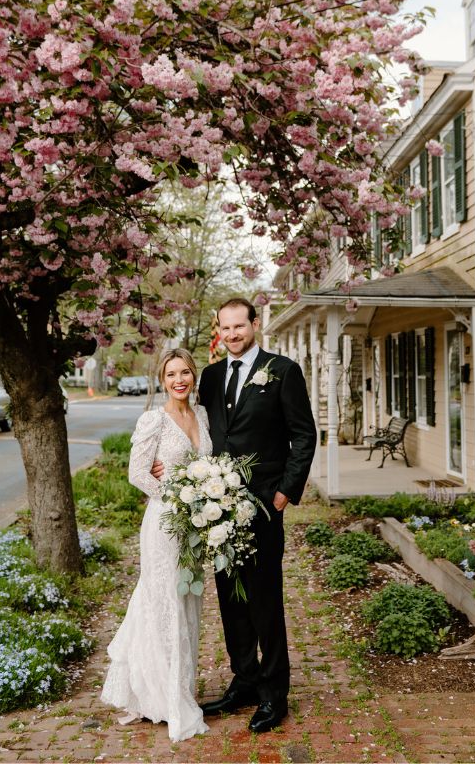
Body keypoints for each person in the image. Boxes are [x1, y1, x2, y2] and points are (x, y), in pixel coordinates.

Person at [152, 297, 317, 733]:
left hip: (263, 505)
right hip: (216, 508)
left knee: (264, 601)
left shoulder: (283, 371)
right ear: (218, 330)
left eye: (239, 327)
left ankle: (273, 694)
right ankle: (243, 681)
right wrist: (165, 466)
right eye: (225, 328)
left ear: (255, 325)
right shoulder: (209, 374)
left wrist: (284, 493)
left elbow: (304, 435)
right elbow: (196, 429)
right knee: (232, 600)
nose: (232, 335)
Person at [100, 348, 211, 743]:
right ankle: (162, 696)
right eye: (171, 374)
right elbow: (137, 474)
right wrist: (175, 495)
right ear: (162, 380)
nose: (179, 380)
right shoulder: (154, 420)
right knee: (163, 602)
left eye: (185, 372)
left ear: (193, 375)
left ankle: (177, 685)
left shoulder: (201, 416)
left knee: (187, 602)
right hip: (166, 524)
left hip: (196, 527)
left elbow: (207, 466)